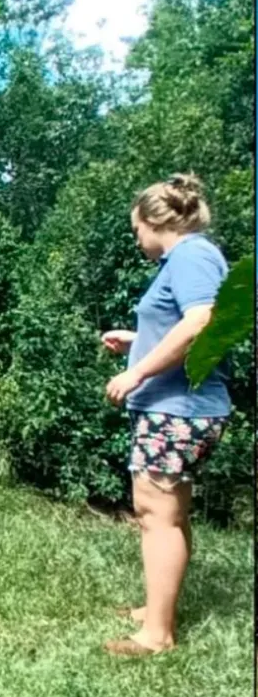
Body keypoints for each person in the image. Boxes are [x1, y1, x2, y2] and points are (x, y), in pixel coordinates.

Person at [101, 174, 230, 656]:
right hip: (181, 405)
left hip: (178, 408)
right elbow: (188, 325)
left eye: (137, 231)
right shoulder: (192, 258)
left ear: (156, 221)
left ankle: (157, 635)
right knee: (170, 512)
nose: (138, 241)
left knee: (156, 514)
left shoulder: (191, 255)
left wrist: (135, 375)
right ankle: (156, 609)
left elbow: (201, 323)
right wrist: (137, 342)